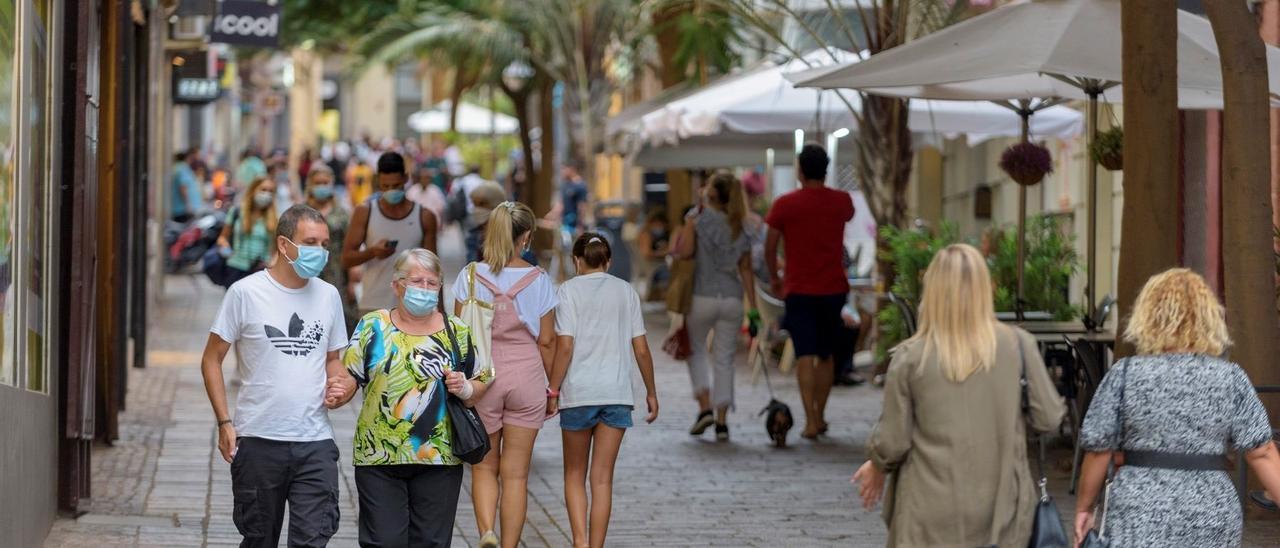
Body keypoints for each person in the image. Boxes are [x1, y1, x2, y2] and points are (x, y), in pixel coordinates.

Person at [851, 244, 1065, 547]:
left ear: (933, 291)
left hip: (927, 510)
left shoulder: (912, 356)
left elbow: (894, 440)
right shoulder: (1018, 346)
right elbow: (1049, 417)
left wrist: (876, 464)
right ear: (984, 288)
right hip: (1002, 507)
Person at [1073, 268, 1280, 548]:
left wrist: (1084, 509)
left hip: (1139, 510)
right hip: (1212, 511)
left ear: (1147, 316)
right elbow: (1263, 452)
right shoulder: (1230, 377)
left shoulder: (1125, 374)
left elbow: (1098, 450)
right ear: (1209, 318)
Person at [199, 205, 356, 548]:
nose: (321, 251)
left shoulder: (329, 296)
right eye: (310, 242)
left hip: (315, 440)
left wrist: (340, 384)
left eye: (325, 243)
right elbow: (212, 360)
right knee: (259, 539)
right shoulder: (245, 292)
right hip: (258, 439)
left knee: (312, 539)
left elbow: (332, 359)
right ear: (285, 245)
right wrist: (225, 422)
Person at [337, 249, 492, 548]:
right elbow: (350, 375)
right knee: (383, 542)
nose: (424, 289)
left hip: (438, 457)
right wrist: (338, 393)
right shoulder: (373, 326)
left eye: (431, 283)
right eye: (416, 281)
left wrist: (466, 388)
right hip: (378, 454)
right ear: (397, 285)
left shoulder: (456, 331)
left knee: (431, 542)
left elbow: (482, 380)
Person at [451, 201, 557, 548]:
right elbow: (546, 342)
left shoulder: (469, 276)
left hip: (482, 379)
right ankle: (510, 544)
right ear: (526, 236)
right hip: (526, 377)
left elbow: (458, 335)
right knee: (516, 474)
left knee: (484, 467)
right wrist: (552, 389)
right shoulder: (539, 281)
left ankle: (486, 532)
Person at [547, 233, 659, 548]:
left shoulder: (566, 291)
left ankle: (580, 543)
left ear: (576, 260)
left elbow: (565, 346)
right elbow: (641, 349)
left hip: (578, 394)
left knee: (574, 474)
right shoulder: (626, 292)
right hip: (617, 394)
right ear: (608, 262)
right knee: (602, 479)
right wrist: (651, 391)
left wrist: (553, 390)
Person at [765, 143, 855, 439]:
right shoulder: (841, 201)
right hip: (832, 287)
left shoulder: (785, 204)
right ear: (826, 170)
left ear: (800, 170)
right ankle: (821, 414)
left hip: (799, 288)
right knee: (826, 355)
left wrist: (775, 277)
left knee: (805, 353)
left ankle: (810, 420)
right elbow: (847, 217)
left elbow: (770, 244)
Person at [673, 173, 757, 441]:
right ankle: (722, 421)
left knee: (695, 350)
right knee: (725, 358)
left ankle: (705, 407)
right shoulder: (743, 226)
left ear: (711, 193)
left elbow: (684, 252)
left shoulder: (698, 219)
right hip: (732, 298)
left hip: (702, 295)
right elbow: (746, 269)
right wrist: (753, 307)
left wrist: (688, 224)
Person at [343, 151, 440, 316]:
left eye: (396, 186)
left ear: (406, 178)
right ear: (378, 181)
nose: (390, 191)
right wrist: (372, 252)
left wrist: (440, 312)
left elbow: (434, 269)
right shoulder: (365, 212)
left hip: (414, 307)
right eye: (385, 186)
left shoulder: (424, 217)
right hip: (373, 306)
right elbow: (346, 259)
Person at [306, 166, 358, 333]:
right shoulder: (303, 212)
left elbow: (349, 246)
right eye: (318, 183)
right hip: (309, 271)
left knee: (339, 317)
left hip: (336, 272)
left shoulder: (342, 213)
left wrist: (351, 281)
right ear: (310, 185)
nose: (322, 186)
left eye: (325, 183)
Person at [216, 177, 278, 286]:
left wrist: (272, 263)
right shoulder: (236, 212)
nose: (267, 194)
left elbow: (277, 249)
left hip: (260, 271)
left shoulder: (274, 219)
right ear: (253, 190)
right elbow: (222, 237)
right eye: (263, 190)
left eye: (270, 191)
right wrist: (225, 247)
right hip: (235, 268)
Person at [634, 211, 670, 301]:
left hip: (654, 265)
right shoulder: (646, 235)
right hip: (652, 266)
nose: (659, 227)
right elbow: (647, 253)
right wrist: (665, 252)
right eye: (657, 224)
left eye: (661, 225)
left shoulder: (654, 235)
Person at [171, 147, 204, 223]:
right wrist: (188, 205)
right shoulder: (182, 168)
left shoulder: (178, 168)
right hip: (182, 210)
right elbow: (183, 187)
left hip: (180, 209)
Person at [560, 162, 588, 233]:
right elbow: (561, 204)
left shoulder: (580, 186)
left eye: (564, 169)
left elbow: (582, 206)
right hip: (565, 223)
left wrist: (580, 224)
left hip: (574, 224)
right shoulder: (566, 184)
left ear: (571, 169)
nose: (562, 172)